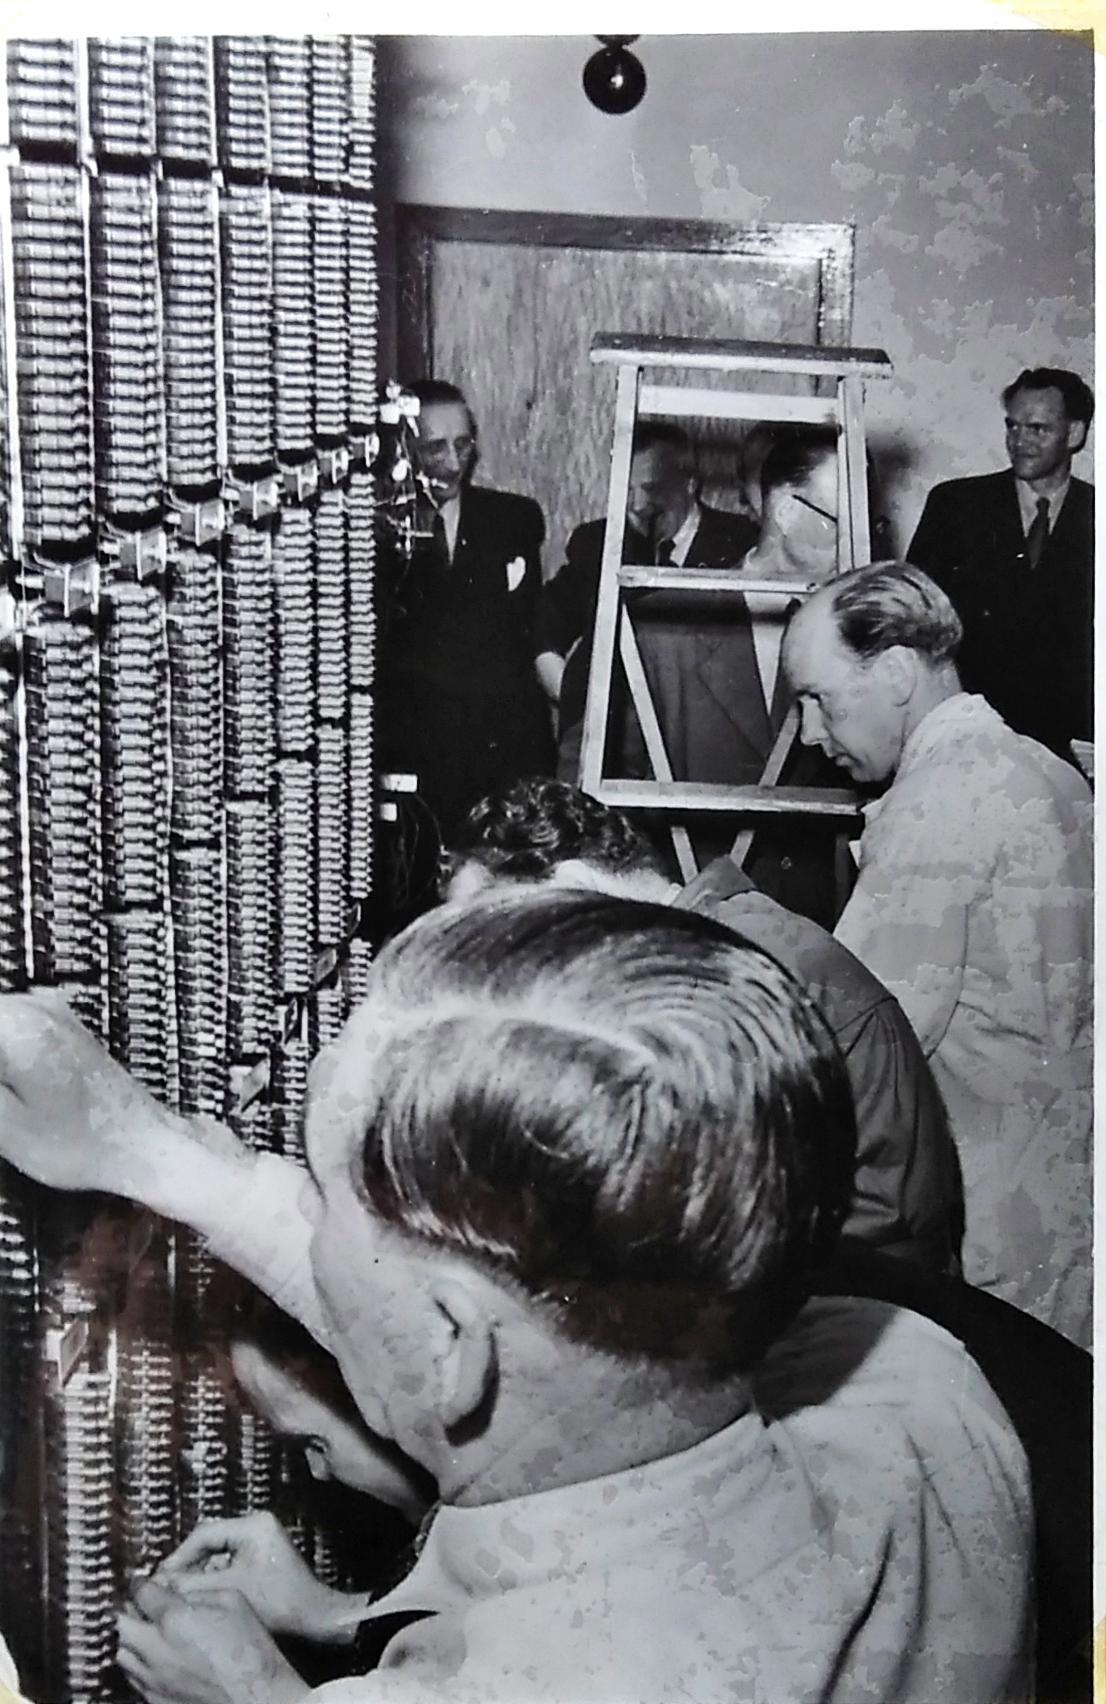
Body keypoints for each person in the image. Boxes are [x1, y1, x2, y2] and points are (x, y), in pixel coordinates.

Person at [0, 900, 1032, 1704]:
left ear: (451, 1346)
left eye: (320, 1200)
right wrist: (152, 1154)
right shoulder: (916, 1376)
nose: (307, 1227)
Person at [447, 777, 963, 1273]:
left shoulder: (721, 967)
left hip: (862, 1282)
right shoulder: (729, 932)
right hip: (842, 1257)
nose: (515, 962)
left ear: (576, 887)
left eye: (511, 928)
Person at [782, 561, 1093, 1349]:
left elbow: (851, 1043)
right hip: (1065, 1215)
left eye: (818, 698)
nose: (811, 733)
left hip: (987, 1230)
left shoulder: (940, 800)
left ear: (895, 673)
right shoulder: (1049, 772)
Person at [375, 379, 554, 843]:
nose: (454, 463)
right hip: (411, 762)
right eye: (435, 448)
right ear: (402, 451)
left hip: (499, 761)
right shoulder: (373, 531)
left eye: (463, 444)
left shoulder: (514, 520)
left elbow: (520, 641)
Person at [534, 421, 757, 779]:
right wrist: (574, 694)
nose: (636, 505)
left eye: (651, 489)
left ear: (690, 483)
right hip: (613, 751)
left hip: (701, 750)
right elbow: (546, 622)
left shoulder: (742, 542)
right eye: (626, 489)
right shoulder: (597, 542)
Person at [907, 367, 1094, 760]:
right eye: (1012, 426)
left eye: (1037, 429)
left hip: (1070, 750)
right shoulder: (954, 506)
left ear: (1075, 434)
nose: (1019, 441)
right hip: (965, 741)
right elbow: (914, 622)